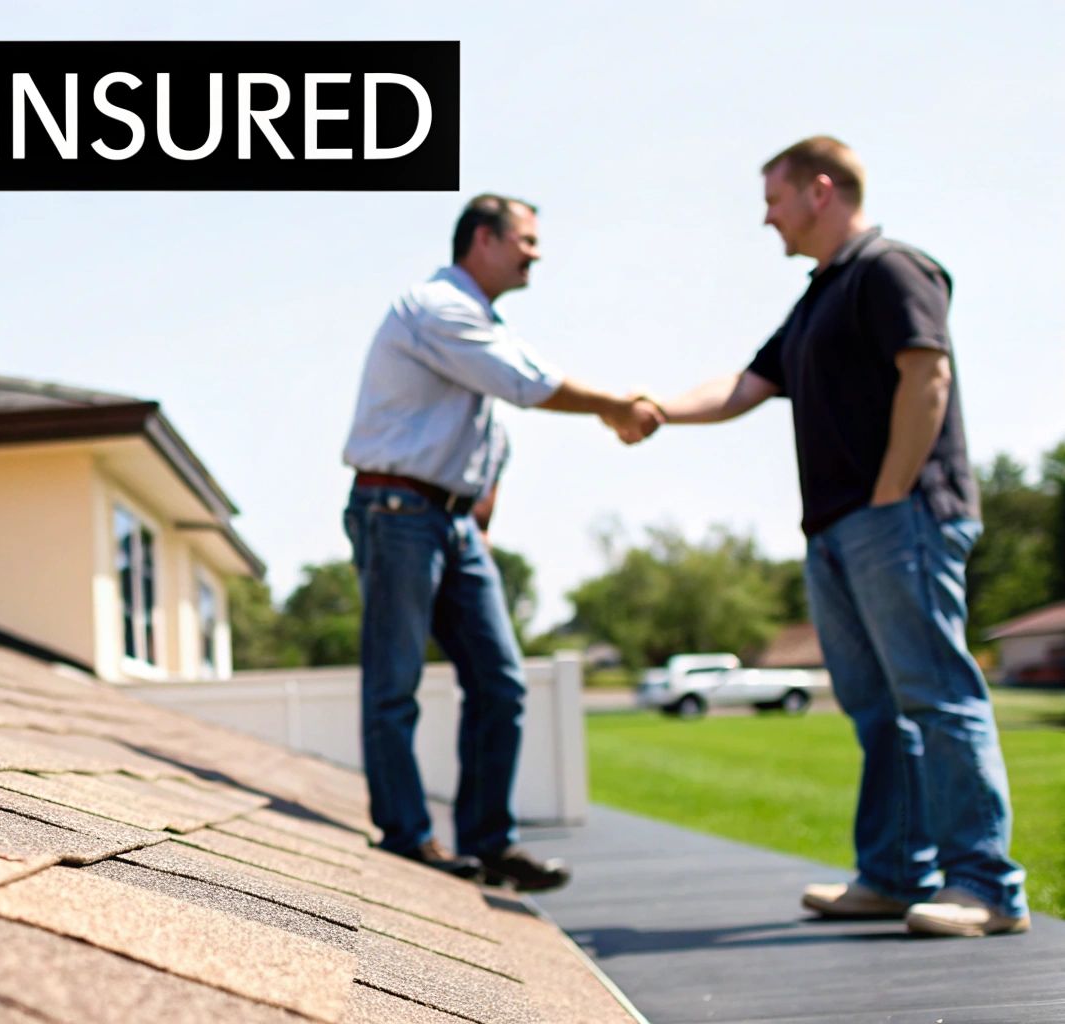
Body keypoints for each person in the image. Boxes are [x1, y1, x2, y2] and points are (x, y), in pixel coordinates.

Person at [656, 136, 1028, 937]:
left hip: (902, 517)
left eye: (774, 201)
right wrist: (651, 407)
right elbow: (745, 385)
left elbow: (926, 374)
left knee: (937, 697)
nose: (767, 220)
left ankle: (987, 886)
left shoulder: (893, 268)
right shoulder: (817, 296)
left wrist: (891, 496)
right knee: (876, 709)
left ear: (820, 191)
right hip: (836, 529)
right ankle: (895, 874)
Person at [341, 194, 662, 890]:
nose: (536, 254)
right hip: (397, 510)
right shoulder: (436, 307)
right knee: (394, 682)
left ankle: (489, 842)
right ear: (481, 240)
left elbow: (494, 428)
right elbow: (523, 385)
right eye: (526, 240)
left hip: (449, 523)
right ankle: (406, 836)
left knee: (501, 682)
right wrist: (614, 406)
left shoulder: (484, 320)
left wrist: (477, 517)